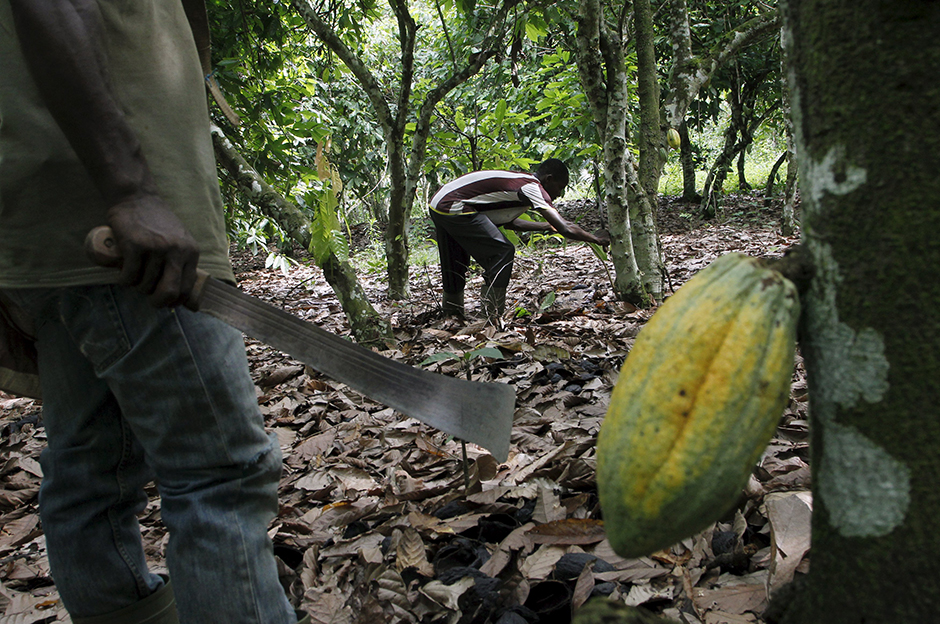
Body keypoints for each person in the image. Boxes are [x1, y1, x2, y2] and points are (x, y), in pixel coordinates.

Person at [0, 1, 307, 622]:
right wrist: (132, 189)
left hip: (43, 215)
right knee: (218, 473)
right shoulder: (129, 195)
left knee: (89, 468)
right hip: (124, 220)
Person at [429, 159, 610, 319]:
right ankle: (490, 316)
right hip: (453, 205)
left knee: (455, 259)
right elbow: (566, 228)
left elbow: (510, 222)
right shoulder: (532, 187)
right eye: (560, 188)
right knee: (502, 252)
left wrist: (546, 226)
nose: (559, 194)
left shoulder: (521, 183)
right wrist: (595, 238)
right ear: (549, 179)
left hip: (440, 203)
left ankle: (451, 313)